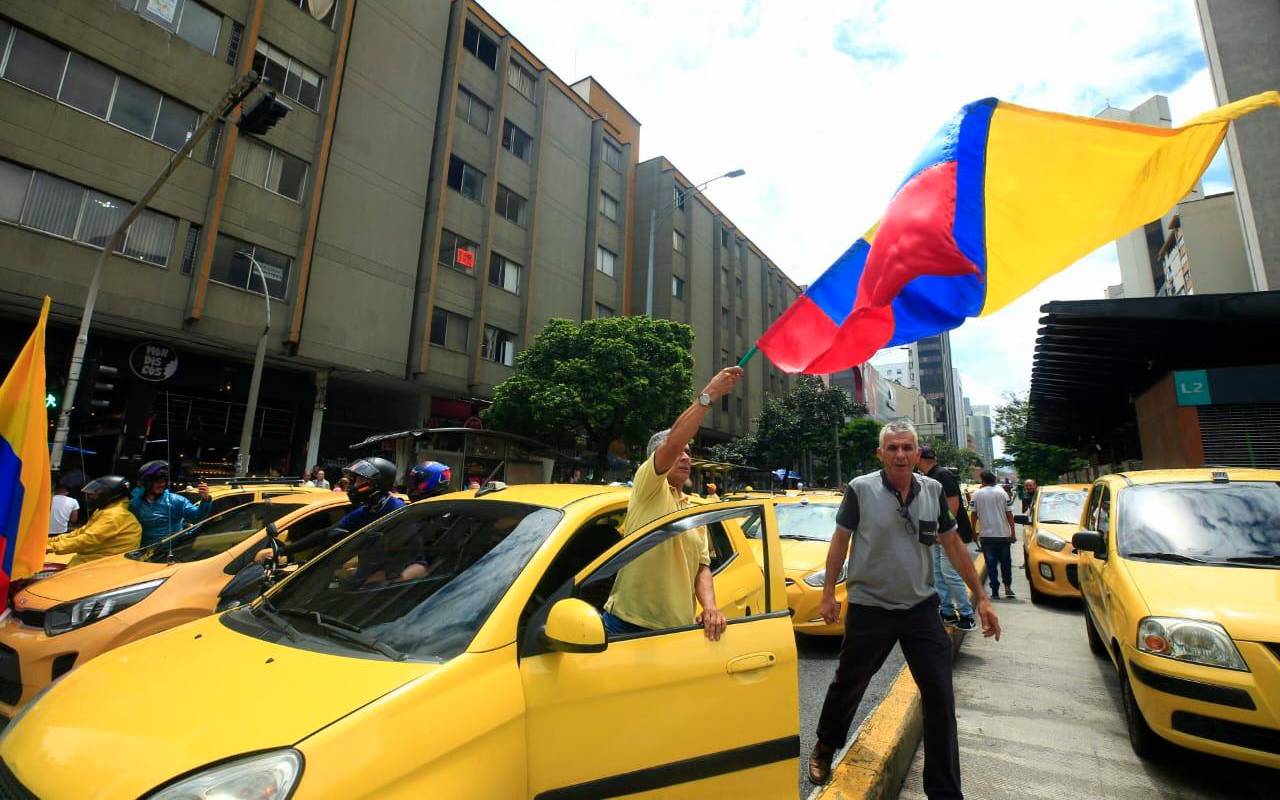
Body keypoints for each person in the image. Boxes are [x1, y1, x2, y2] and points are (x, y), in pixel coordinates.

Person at [808, 421, 1000, 794]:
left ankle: (944, 790)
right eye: (892, 448)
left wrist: (982, 598)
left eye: (907, 448)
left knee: (941, 696)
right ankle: (825, 745)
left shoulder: (932, 491)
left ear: (917, 453)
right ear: (881, 454)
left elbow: (953, 544)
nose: (900, 454)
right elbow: (840, 542)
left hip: (920, 609)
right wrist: (828, 592)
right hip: (870, 608)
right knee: (849, 682)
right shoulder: (860, 489)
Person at [602, 366, 743, 642]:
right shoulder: (649, 487)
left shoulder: (694, 511)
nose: (685, 457)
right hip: (627, 627)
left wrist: (710, 607)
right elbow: (673, 440)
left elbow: (702, 566)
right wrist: (709, 394)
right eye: (678, 451)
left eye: (689, 453)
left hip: (678, 631)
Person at [918, 447, 977, 632]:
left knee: (950, 574)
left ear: (920, 458)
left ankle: (966, 615)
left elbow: (953, 506)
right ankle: (947, 612)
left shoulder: (942, 475)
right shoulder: (931, 475)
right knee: (938, 574)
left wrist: (943, 531)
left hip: (949, 535)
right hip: (936, 535)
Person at [46, 476, 142, 566]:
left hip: (104, 565)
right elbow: (82, 532)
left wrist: (51, 547)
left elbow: (88, 539)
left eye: (95, 493)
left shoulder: (114, 515)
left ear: (109, 494)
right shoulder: (105, 511)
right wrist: (50, 541)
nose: (90, 496)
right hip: (93, 559)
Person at [129, 461, 212, 547]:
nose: (161, 484)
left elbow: (197, 516)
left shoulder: (175, 501)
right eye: (157, 481)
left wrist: (206, 499)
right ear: (146, 482)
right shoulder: (135, 500)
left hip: (169, 552)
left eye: (163, 481)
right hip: (142, 550)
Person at [974, 470, 1018, 599]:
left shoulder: (977, 494)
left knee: (991, 564)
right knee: (1006, 562)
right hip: (1003, 535)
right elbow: (1009, 515)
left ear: (983, 480)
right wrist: (1013, 533)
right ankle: (1008, 587)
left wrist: (973, 531)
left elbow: (973, 515)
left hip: (986, 536)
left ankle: (995, 590)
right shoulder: (1003, 493)